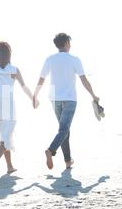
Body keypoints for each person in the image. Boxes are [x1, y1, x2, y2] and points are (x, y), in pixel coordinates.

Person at [33, 33, 100, 170]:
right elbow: (84, 80)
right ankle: (50, 150)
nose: (70, 44)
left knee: (63, 130)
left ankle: (68, 161)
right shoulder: (74, 59)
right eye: (69, 42)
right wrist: (93, 95)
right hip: (70, 99)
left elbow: (41, 79)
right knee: (64, 129)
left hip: (55, 99)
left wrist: (35, 95)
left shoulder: (50, 59)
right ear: (66, 43)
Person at [0, 41, 38, 175]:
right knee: (5, 136)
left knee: (5, 135)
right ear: (9, 55)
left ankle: (9, 166)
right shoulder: (14, 70)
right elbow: (24, 87)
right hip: (8, 106)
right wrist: (33, 99)